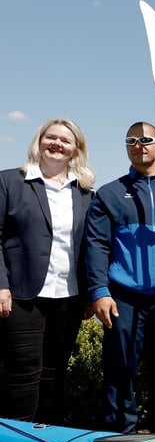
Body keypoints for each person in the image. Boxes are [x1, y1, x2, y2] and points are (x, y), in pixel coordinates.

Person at [85, 122, 155, 433]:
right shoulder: (110, 194)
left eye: (145, 139)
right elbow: (97, 245)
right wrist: (99, 291)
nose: (138, 145)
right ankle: (121, 430)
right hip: (124, 297)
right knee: (120, 367)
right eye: (131, 140)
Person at [0, 118, 94, 423]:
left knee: (55, 373)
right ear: (39, 141)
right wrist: (1, 285)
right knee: (22, 372)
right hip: (21, 294)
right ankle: (16, 439)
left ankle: (48, 437)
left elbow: (89, 246)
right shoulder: (9, 182)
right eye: (50, 137)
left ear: (75, 149)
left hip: (69, 295)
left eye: (65, 140)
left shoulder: (85, 193)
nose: (57, 144)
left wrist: (91, 293)